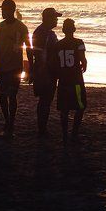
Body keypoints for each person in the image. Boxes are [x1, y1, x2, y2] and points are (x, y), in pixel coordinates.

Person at [0, 0, 32, 135]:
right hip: (1, 67)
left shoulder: (21, 27)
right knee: (2, 96)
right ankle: (7, 121)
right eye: (2, 9)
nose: (2, 12)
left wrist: (31, 66)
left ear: (12, 10)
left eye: (4, 9)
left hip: (15, 67)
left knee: (12, 96)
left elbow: (29, 48)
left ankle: (11, 123)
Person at [50, 18, 87, 145]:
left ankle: (65, 134)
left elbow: (55, 63)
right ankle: (74, 133)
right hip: (76, 80)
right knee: (80, 107)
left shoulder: (58, 45)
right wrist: (83, 66)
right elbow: (83, 61)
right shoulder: (79, 42)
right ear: (74, 29)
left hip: (63, 80)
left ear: (63, 30)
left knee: (64, 109)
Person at [31, 7, 62, 135]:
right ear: (48, 18)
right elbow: (43, 54)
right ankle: (42, 129)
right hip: (46, 72)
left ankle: (42, 127)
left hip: (42, 71)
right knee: (45, 100)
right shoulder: (46, 34)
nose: (56, 20)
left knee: (44, 101)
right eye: (54, 17)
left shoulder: (40, 32)